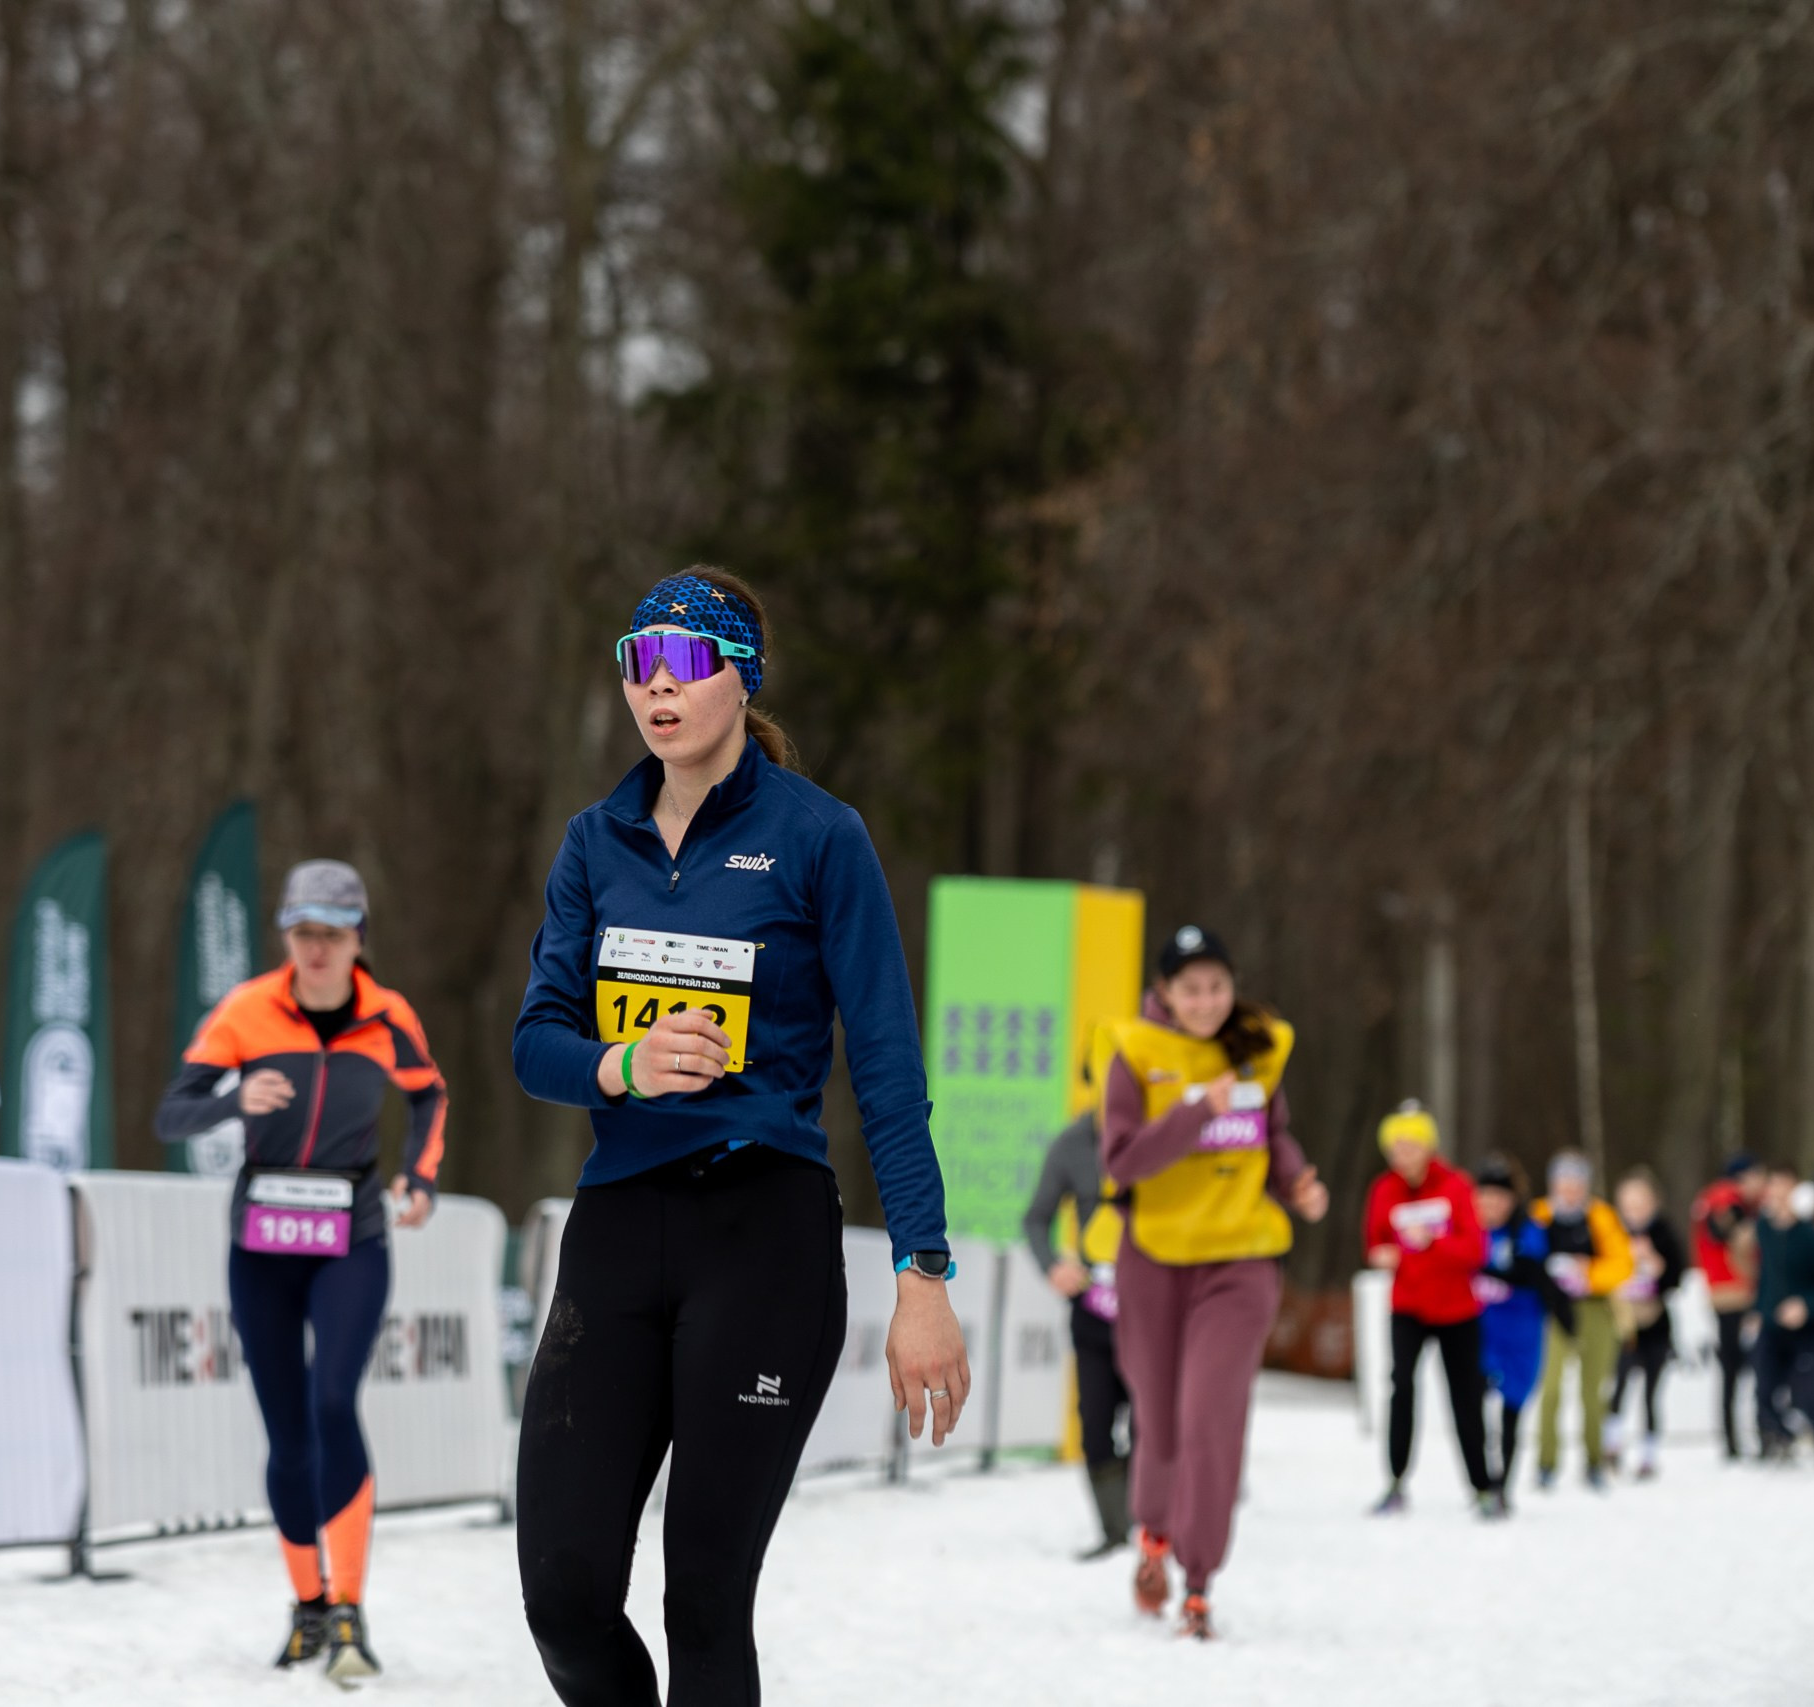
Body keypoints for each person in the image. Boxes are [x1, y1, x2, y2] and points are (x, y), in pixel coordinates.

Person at [509, 568, 968, 1706]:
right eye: (637, 662)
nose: (656, 689)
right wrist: (624, 1064)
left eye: (686, 663)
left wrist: (923, 1275)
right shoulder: (594, 842)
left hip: (762, 1238)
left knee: (704, 1599)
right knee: (564, 1594)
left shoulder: (819, 838)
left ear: (740, 678)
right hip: (619, 1225)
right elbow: (536, 1043)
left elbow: (888, 1068)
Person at [154, 859, 447, 1681]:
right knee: (286, 1433)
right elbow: (172, 1107)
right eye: (303, 932)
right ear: (286, 934)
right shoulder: (248, 1009)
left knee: (332, 1400)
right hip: (263, 1245)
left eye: (332, 933)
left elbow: (429, 1095)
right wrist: (231, 1101)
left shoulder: (389, 1017)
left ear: (359, 938)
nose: (316, 949)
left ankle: (350, 1605)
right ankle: (309, 1605)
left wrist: (418, 1178)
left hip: (351, 1233)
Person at [1101, 924, 1329, 1640]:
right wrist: (1201, 1110)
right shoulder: (1136, 1052)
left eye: (1218, 986)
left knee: (1210, 1417)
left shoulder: (1259, 1045)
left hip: (1241, 1258)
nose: (1206, 1001)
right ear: (1164, 991)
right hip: (1155, 1259)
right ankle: (1154, 1539)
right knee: (1161, 1417)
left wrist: (1295, 1179)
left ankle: (1199, 1580)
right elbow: (1123, 1160)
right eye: (1190, 987)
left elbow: (1275, 1129)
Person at [1361, 1102, 1495, 1517]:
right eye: (1395, 1147)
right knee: (1401, 1387)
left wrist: (1432, 1243)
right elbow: (1374, 1244)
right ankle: (1396, 1482)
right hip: (1409, 1306)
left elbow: (1476, 1249)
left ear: (1427, 1146)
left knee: (1465, 1395)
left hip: (1457, 1309)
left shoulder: (1455, 1185)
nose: (1402, 1154)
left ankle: (1483, 1487)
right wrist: (1382, 1256)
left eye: (1410, 1145)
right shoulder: (1384, 1189)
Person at [1022, 1107, 1135, 1556]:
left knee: (1154, 1425)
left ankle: (1146, 1526)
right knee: (1094, 1424)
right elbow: (1035, 1218)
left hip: (1152, 1308)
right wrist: (1053, 1265)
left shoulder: (1165, 1129)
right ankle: (1114, 1532)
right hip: (1093, 1307)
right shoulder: (1071, 1144)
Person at [1531, 1150, 1633, 1491]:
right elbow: (1527, 1258)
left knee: (1593, 1391)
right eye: (1564, 1182)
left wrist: (1587, 1272)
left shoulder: (1600, 1216)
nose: (1571, 1190)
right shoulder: (1539, 1216)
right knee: (1550, 1389)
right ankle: (1546, 1462)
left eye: (1577, 1183)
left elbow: (1622, 1263)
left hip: (1594, 1308)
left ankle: (1594, 1461)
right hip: (1552, 1310)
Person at [1471, 1157, 1559, 1513]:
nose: (1491, 1206)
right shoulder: (1469, 1230)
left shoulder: (1529, 1230)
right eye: (1485, 1197)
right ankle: (1481, 1481)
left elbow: (1531, 1273)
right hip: (1480, 1334)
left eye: (1499, 1198)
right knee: (1473, 1407)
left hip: (1521, 1336)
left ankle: (1503, 1486)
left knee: (1511, 1411)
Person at [1750, 1163, 1814, 1472]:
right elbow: (1767, 1277)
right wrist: (1758, 1309)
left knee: (1809, 1391)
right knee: (1763, 1389)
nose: (1778, 1196)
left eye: (1785, 1189)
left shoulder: (1811, 1235)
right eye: (1774, 1189)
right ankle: (1780, 1439)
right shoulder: (1764, 1230)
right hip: (1772, 1325)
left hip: (1810, 1329)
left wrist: (1805, 1306)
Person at [1604, 1168, 1687, 1481]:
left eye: (1640, 1204)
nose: (1634, 1212)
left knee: (1652, 1392)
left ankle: (1649, 1455)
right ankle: (1611, 1446)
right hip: (1624, 1324)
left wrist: (1654, 1262)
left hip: (1655, 1324)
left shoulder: (1664, 1233)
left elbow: (1675, 1278)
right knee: (1619, 1385)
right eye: (1628, 1205)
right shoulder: (1612, 1233)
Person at [1690, 1155, 1765, 1461]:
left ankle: (1732, 1437)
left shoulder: (1707, 1199)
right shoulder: (1727, 1200)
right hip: (1735, 1292)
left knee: (1732, 1367)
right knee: (1740, 1365)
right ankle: (1736, 1438)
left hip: (1720, 1291)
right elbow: (1723, 1233)